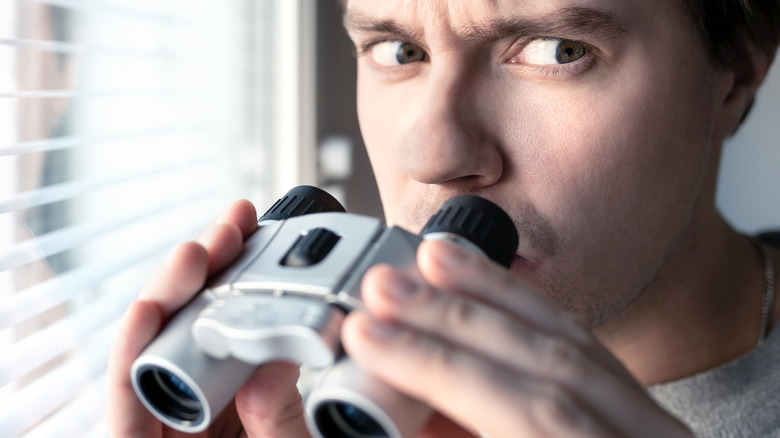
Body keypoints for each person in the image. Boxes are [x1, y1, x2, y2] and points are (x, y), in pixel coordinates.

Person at [107, 0, 780, 436]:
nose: (431, 155)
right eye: (399, 52)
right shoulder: (305, 402)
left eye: (556, 50)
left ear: (740, 70)